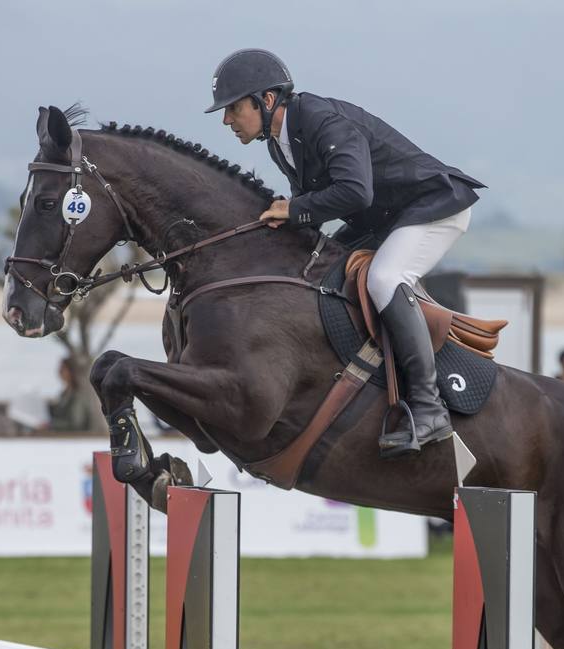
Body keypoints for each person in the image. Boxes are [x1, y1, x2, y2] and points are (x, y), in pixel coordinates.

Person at [206, 48, 485, 457]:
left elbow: (356, 191)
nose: (228, 120)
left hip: (433, 208)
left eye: (232, 108)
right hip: (389, 218)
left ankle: (428, 408)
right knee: (326, 268)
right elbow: (316, 207)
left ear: (266, 101)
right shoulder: (280, 142)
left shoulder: (319, 120)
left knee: (385, 278)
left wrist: (296, 210)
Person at [46, 358, 100, 433]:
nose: (59, 371)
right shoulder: (64, 394)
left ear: (72, 371)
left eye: (63, 368)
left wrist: (50, 425)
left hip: (76, 441)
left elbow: (76, 424)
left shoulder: (79, 395)